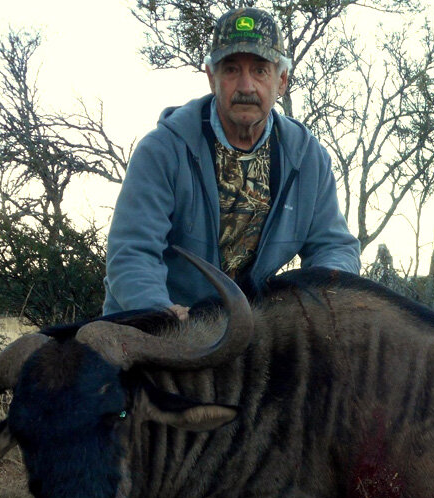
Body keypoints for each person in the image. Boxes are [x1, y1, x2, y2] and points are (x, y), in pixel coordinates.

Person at [103, 7, 360, 318]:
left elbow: (334, 248)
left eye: (260, 70)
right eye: (232, 69)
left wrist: (317, 303)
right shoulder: (161, 150)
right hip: (159, 323)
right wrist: (160, 314)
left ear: (281, 81)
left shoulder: (309, 158)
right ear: (212, 78)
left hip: (248, 332)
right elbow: (132, 251)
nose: (246, 86)